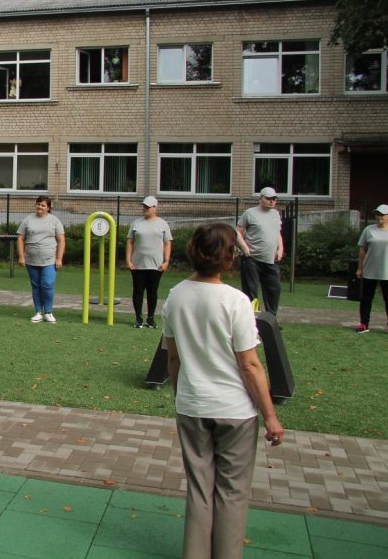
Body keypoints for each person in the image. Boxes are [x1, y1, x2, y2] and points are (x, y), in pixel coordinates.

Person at [162, 222, 284, 559]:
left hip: (192, 405)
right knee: (232, 491)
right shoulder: (236, 301)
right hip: (235, 411)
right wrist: (271, 417)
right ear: (229, 258)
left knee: (200, 490)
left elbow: (173, 357)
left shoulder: (175, 296)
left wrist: (182, 395)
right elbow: (250, 365)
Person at [355, 204, 388, 336]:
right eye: (377, 214)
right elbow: (362, 250)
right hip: (370, 270)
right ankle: (364, 324)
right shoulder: (368, 230)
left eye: (382, 214)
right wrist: (360, 268)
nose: (379, 217)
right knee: (366, 299)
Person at [17, 195, 65, 323]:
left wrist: (59, 258)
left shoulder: (54, 220)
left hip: (49, 260)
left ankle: (48, 312)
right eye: (38, 204)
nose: (40, 207)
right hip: (31, 260)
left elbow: (61, 240)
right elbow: (20, 239)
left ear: (48, 208)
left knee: (47, 284)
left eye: (43, 205)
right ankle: (38, 312)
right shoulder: (28, 220)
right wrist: (21, 256)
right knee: (36, 286)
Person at [126, 196, 173, 329]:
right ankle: (138, 318)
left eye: (148, 207)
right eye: (144, 206)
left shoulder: (163, 224)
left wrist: (166, 261)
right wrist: (128, 260)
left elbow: (167, 243)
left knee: (152, 291)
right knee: (138, 291)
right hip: (137, 264)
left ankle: (151, 318)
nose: (145, 209)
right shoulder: (136, 223)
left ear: (155, 208)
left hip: (156, 265)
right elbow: (130, 242)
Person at [236, 187, 284, 316]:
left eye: (274, 199)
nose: (272, 201)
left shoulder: (275, 214)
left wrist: (280, 248)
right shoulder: (249, 213)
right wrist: (244, 247)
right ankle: (252, 317)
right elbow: (238, 232)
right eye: (268, 198)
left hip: (271, 259)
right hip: (251, 259)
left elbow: (277, 233)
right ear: (260, 199)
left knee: (274, 289)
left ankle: (271, 318)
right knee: (251, 291)